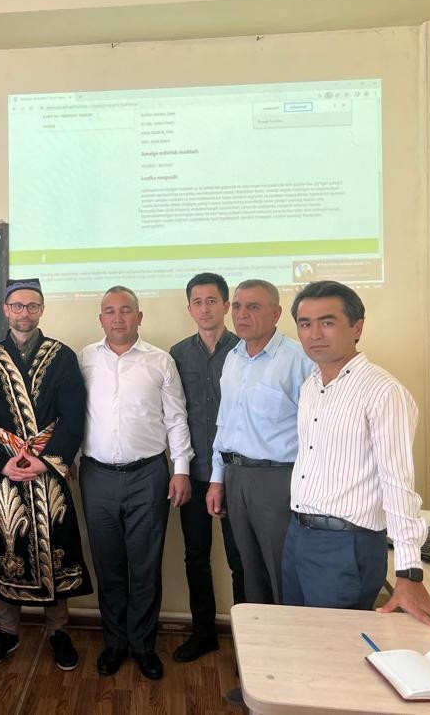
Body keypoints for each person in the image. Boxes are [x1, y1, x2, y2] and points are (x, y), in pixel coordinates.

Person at [286, 280, 430, 628]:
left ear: (357, 327)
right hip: (299, 536)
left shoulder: (382, 392)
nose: (314, 333)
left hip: (346, 544)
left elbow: (398, 483)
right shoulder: (311, 387)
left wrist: (409, 573)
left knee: (335, 647)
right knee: (300, 638)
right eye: (305, 324)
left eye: (327, 322)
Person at [0, 279, 92, 673]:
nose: (24, 312)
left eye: (32, 306)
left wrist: (47, 461)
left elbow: (74, 417)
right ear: (6, 309)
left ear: (42, 309)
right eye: (17, 305)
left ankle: (58, 630)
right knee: (8, 546)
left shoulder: (62, 356)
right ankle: (7, 630)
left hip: (49, 472)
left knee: (58, 547)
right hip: (5, 473)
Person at [79, 285, 193, 681]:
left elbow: (176, 418)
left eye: (126, 310)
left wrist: (181, 469)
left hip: (149, 475)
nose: (118, 317)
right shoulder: (83, 359)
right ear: (101, 319)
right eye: (110, 311)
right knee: (107, 565)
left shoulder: (160, 361)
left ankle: (143, 646)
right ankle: (115, 644)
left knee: (145, 566)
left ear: (139, 317)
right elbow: (71, 414)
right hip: (96, 476)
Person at [206, 279, 313, 605]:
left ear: (276, 313)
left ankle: (288, 638)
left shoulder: (298, 359)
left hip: (278, 480)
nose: (242, 314)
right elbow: (224, 423)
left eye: (253, 307)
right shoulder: (233, 357)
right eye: (237, 306)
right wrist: (217, 478)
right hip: (236, 477)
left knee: (282, 571)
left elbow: (316, 430)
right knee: (250, 572)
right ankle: (259, 637)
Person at [167, 273, 244, 663]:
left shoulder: (245, 350)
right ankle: (203, 633)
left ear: (226, 306)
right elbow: (173, 415)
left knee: (240, 559)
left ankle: (249, 641)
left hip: (237, 473)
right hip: (194, 473)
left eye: (212, 300)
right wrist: (178, 467)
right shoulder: (177, 354)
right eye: (197, 302)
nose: (204, 308)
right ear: (189, 308)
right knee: (195, 555)